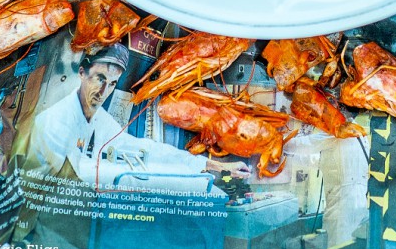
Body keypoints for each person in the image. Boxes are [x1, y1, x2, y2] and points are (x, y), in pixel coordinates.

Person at [27, 43, 250, 181]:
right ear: (82, 73)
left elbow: (141, 148)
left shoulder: (98, 120)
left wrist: (207, 165)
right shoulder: (55, 120)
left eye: (112, 83)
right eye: (100, 79)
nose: (104, 90)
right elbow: (78, 174)